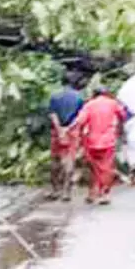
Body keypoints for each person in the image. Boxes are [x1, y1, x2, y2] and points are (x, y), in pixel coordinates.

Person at [75, 85, 128, 205]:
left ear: (94, 94)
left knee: (93, 167)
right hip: (108, 140)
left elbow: (80, 121)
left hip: (92, 140)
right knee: (106, 167)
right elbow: (123, 116)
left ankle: (92, 193)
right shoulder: (113, 103)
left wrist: (80, 137)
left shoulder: (89, 105)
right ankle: (104, 193)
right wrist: (119, 129)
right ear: (106, 93)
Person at [47, 72, 85, 201]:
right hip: (72, 132)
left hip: (56, 131)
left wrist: (60, 130)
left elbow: (52, 115)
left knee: (55, 159)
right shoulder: (79, 97)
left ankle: (55, 190)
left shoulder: (54, 96)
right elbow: (80, 117)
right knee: (69, 159)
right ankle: (66, 192)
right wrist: (68, 128)